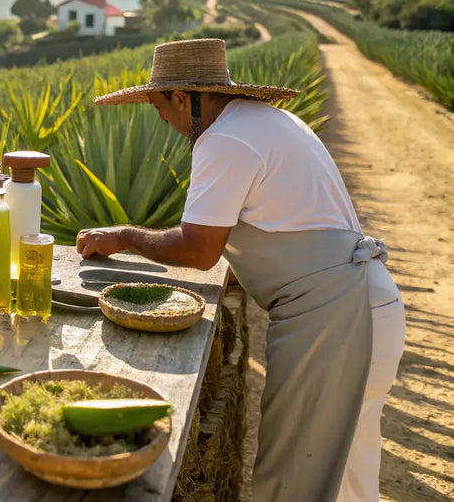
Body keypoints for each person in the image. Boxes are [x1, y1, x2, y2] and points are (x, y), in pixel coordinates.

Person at [76, 39, 405, 501]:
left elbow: (198, 249)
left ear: (181, 97)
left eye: (157, 106)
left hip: (337, 319)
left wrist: (127, 236)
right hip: (366, 303)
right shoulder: (268, 121)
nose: (161, 121)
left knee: (294, 483)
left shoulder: (224, 139)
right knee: (347, 477)